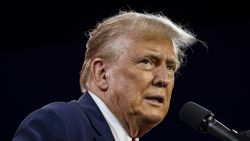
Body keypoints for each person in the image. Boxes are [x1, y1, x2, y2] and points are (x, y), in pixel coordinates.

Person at [12, 11, 197, 141]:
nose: (163, 79)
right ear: (102, 73)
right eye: (147, 62)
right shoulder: (62, 123)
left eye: (171, 67)